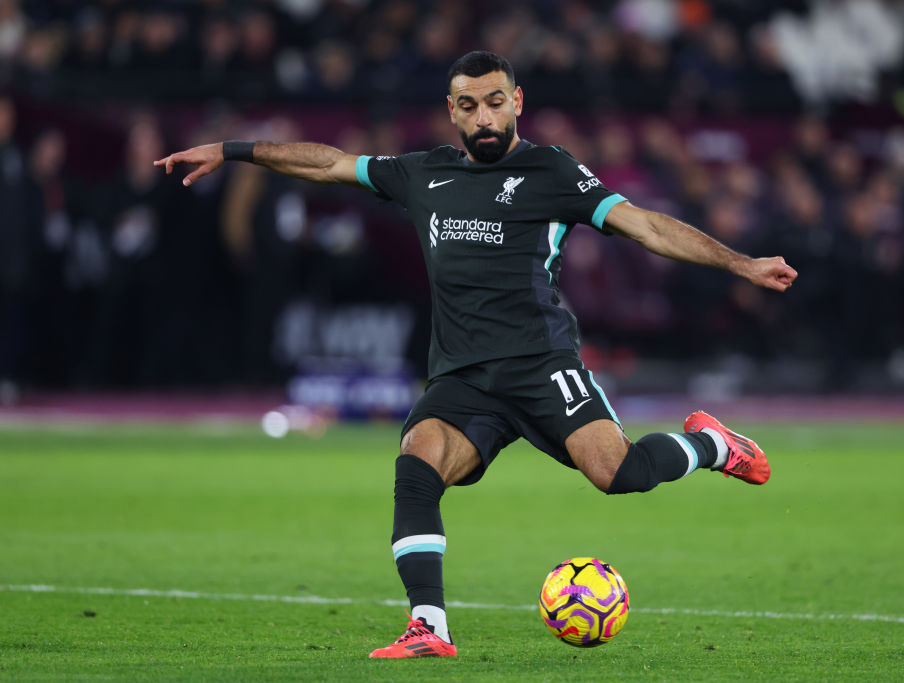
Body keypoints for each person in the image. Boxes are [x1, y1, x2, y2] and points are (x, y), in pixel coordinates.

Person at [155, 50, 797, 659]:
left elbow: (648, 226)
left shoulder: (552, 172)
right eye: (469, 105)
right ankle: (426, 626)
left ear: (517, 101)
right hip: (464, 374)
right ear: (452, 111)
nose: (483, 117)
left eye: (495, 102)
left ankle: (712, 446)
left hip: (541, 363)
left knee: (617, 473)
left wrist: (741, 264)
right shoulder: (424, 173)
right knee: (418, 461)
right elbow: (328, 164)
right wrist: (234, 151)